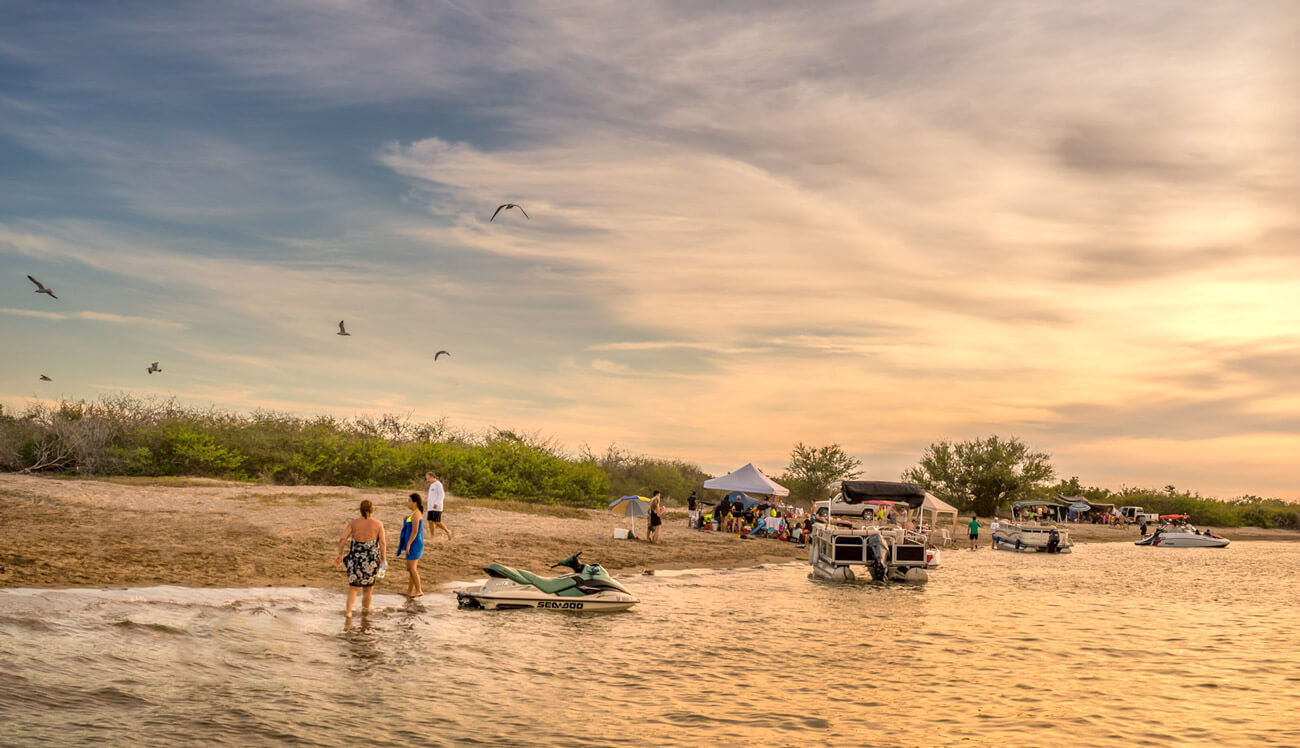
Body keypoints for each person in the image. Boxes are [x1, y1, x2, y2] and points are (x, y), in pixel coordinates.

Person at [334, 499, 387, 618]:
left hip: (355, 558)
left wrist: (340, 554)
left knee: (353, 588)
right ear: (372, 510)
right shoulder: (378, 524)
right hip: (371, 559)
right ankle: (365, 612)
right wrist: (383, 559)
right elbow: (382, 543)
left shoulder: (354, 523)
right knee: (368, 589)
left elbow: (343, 539)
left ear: (360, 510)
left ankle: (349, 612)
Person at [397, 493, 425, 598]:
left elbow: (415, 531)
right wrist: (406, 518)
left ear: (415, 502)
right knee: (410, 568)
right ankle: (409, 591)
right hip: (414, 543)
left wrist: (408, 544)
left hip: (415, 543)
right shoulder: (414, 514)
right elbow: (410, 522)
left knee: (412, 568)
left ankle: (419, 590)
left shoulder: (417, 514)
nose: (408, 503)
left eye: (409, 501)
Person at [424, 471, 453, 541]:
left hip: (437, 507)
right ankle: (433, 536)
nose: (427, 480)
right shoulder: (431, 485)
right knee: (430, 521)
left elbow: (442, 495)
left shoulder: (438, 484)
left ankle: (448, 531)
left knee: (436, 522)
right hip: (430, 507)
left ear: (432, 477)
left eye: (427, 478)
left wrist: (436, 503)